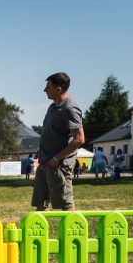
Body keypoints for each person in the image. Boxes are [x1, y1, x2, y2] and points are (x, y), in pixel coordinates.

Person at [33, 72, 85, 210]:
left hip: (58, 164)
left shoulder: (70, 108)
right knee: (41, 202)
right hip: (45, 162)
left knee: (65, 204)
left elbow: (79, 139)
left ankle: (72, 231)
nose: (45, 91)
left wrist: (57, 158)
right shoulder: (53, 106)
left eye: (48, 87)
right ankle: (38, 231)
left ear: (58, 89)